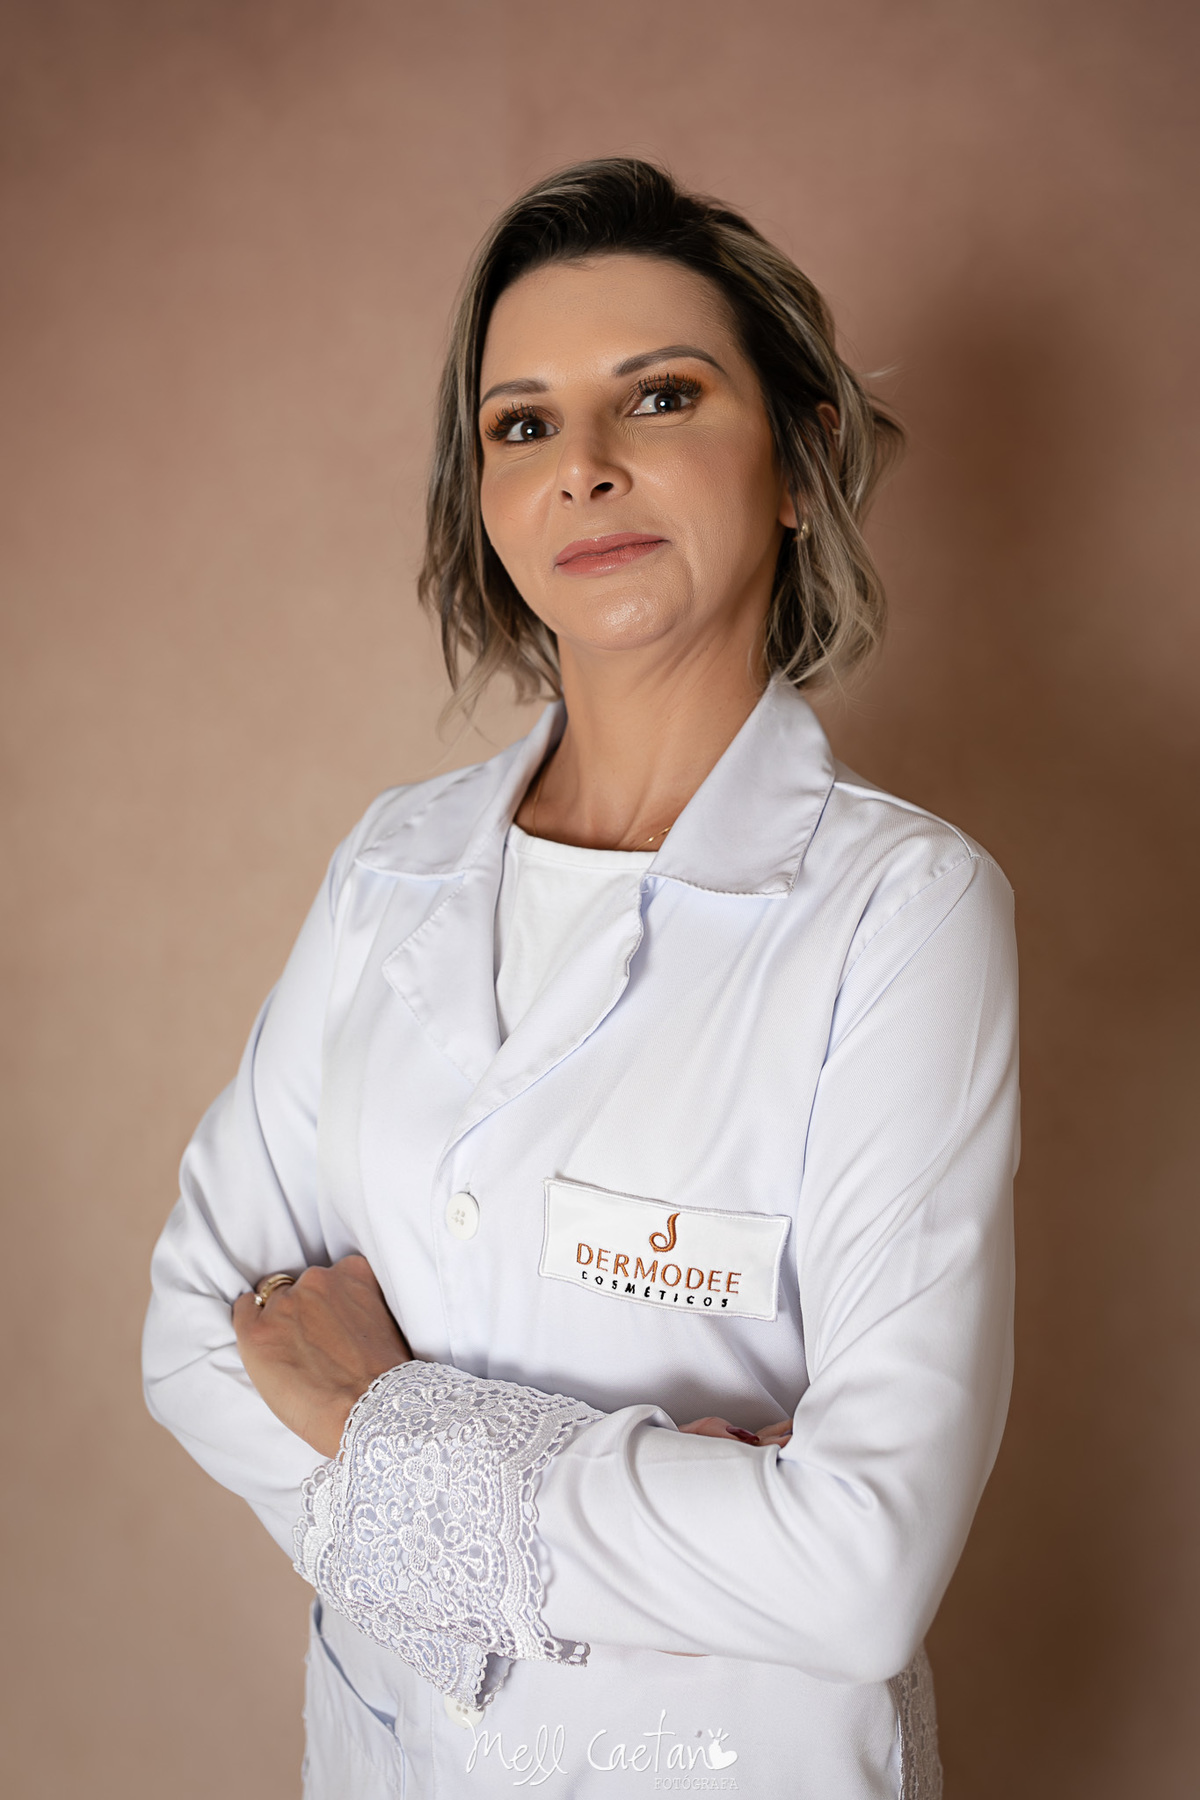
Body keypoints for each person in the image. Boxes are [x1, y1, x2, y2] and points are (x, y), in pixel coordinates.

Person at [143, 157, 1018, 1799]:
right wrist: (684, 1528)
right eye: (523, 423)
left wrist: (371, 1413)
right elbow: (193, 1339)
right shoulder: (391, 866)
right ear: (483, 497)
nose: (586, 467)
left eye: (661, 396)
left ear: (798, 457)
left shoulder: (903, 912)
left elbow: (862, 1565)